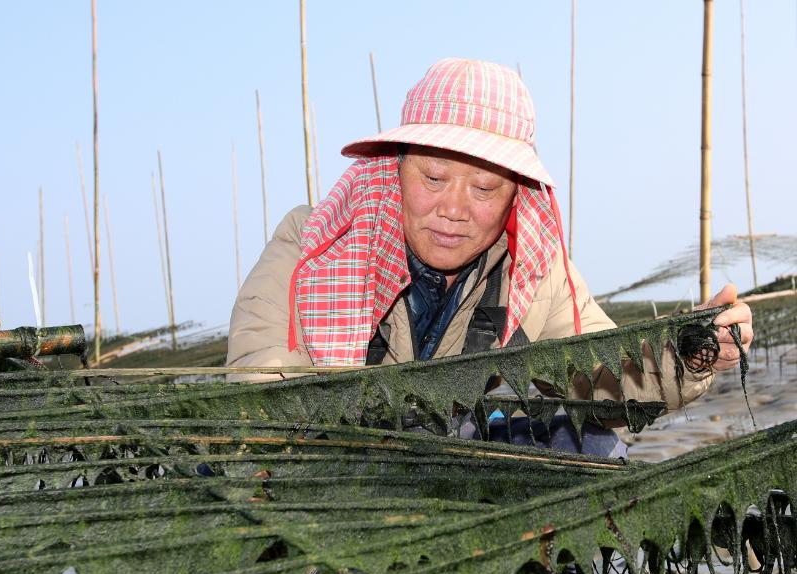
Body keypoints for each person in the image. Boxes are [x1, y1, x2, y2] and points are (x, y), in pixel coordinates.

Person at [227, 58, 753, 453]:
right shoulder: (313, 246)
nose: (454, 209)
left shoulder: (536, 270)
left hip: (473, 487)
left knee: (588, 443)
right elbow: (261, 399)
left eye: (484, 189)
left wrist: (691, 349)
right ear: (397, 168)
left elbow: (605, 377)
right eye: (433, 178)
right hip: (344, 490)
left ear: (515, 197)